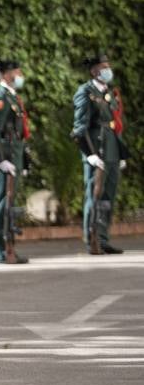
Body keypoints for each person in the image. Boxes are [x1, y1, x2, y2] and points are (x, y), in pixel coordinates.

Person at [73, 54, 128, 255]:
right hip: (97, 148)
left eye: (108, 66)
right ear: (94, 71)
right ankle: (92, 238)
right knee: (94, 195)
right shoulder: (85, 92)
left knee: (108, 196)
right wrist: (89, 154)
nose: (108, 70)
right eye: (104, 67)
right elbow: (80, 128)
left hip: (112, 148)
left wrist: (120, 152)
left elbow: (116, 124)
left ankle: (103, 237)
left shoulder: (109, 92)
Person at [0, 58, 31, 264]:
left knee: (9, 204)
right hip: (7, 159)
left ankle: (9, 246)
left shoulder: (12, 97)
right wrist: (1, 160)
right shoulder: (0, 98)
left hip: (15, 156)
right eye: (16, 72)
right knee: (2, 204)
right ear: (5, 74)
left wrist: (23, 160)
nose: (19, 75)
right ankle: (2, 250)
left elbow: (19, 132)